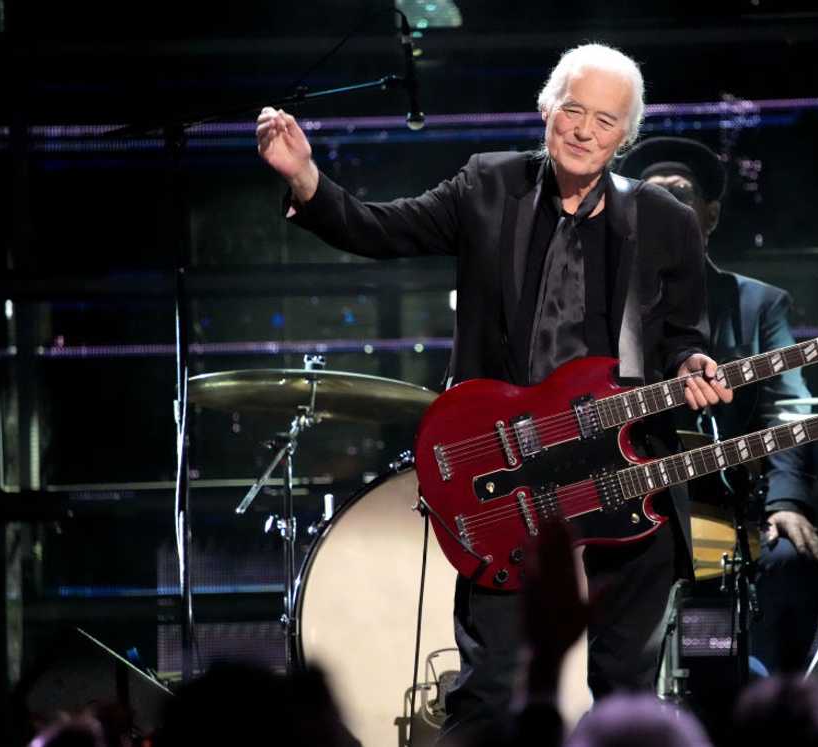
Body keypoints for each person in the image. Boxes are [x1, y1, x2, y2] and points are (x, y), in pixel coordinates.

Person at [256, 43, 732, 739]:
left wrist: (692, 364)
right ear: (546, 109)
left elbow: (685, 335)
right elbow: (379, 228)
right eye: (572, 110)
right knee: (488, 692)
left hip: (626, 472)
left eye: (605, 121)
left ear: (625, 137)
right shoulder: (488, 185)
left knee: (627, 691)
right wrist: (305, 177)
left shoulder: (664, 218)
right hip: (511, 474)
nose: (583, 131)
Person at [618, 136, 818, 674]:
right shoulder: (606, 306)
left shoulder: (759, 304)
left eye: (680, 193)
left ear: (709, 215)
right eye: (652, 196)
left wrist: (786, 501)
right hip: (626, 500)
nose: (666, 206)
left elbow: (788, 408)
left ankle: (763, 700)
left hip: (726, 506)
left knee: (789, 557)